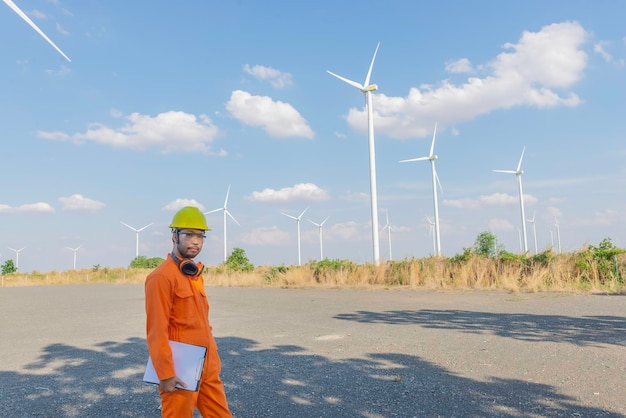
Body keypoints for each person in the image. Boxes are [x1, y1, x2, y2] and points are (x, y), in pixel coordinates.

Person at [145, 206, 231, 417]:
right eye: (189, 234)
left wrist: (213, 360)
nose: (195, 241)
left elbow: (202, 322)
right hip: (180, 369)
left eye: (200, 236)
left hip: (207, 365)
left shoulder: (194, 275)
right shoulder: (161, 277)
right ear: (174, 236)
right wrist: (165, 374)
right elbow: (156, 330)